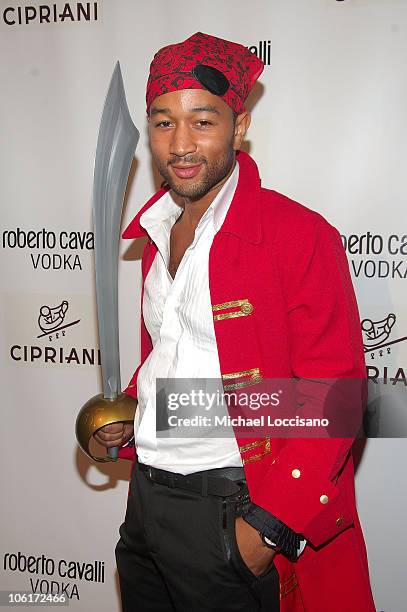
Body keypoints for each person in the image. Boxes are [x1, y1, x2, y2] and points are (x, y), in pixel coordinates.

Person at [95, 32, 376, 612]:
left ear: (239, 125)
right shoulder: (155, 234)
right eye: (164, 123)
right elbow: (171, 358)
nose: (181, 144)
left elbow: (339, 398)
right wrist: (129, 414)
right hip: (146, 504)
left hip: (232, 509)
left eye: (203, 121)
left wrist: (266, 529)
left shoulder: (299, 236)